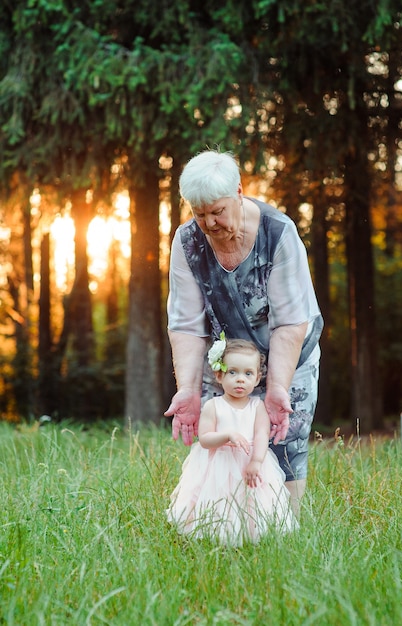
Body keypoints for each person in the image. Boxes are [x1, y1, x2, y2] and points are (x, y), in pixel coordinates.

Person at [164, 149, 323, 516]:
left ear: (239, 191)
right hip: (228, 358)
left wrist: (276, 387)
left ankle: (286, 531)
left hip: (288, 354)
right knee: (220, 440)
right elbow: (186, 323)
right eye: (199, 213)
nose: (209, 223)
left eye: (217, 211)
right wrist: (187, 389)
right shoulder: (187, 241)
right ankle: (219, 526)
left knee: (285, 440)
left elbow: (289, 322)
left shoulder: (278, 232)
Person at [167, 337, 297, 545]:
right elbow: (205, 439)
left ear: (257, 379)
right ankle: (216, 537)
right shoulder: (213, 406)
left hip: (249, 463)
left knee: (251, 502)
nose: (240, 379)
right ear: (219, 375)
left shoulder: (257, 407)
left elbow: (262, 435)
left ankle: (249, 537)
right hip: (218, 465)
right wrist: (227, 435)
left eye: (248, 374)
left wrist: (256, 461)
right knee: (221, 501)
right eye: (232, 372)